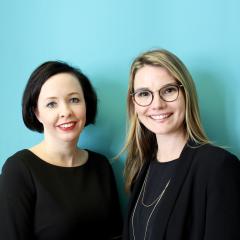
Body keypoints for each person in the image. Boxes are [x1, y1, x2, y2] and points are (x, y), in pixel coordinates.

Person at [121, 49, 240, 240]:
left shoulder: (218, 166)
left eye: (168, 90)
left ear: (186, 94)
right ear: (134, 102)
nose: (157, 104)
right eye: (144, 94)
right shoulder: (141, 169)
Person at [0, 61, 122, 240]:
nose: (65, 112)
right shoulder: (19, 170)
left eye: (74, 100)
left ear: (86, 105)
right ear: (37, 112)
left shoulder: (101, 165)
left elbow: (116, 235)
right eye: (51, 104)